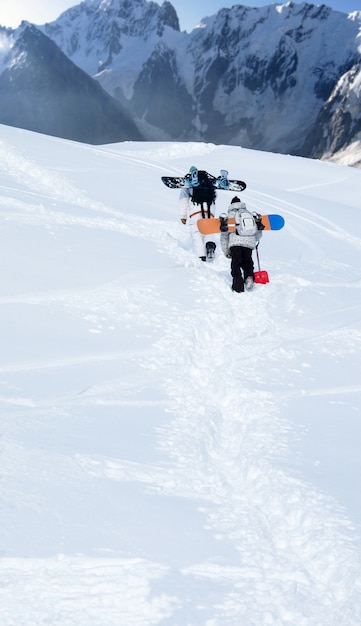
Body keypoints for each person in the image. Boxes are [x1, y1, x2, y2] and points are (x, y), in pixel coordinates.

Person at [220, 196, 263, 292]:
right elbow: (257, 232)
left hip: (235, 243)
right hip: (249, 242)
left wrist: (226, 251)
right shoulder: (248, 214)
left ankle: (238, 286)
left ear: (231, 205)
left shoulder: (230, 215)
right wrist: (254, 240)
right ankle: (249, 277)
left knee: (236, 264)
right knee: (248, 262)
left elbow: (224, 235)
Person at [179, 166, 217, 261]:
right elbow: (215, 196)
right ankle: (210, 244)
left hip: (195, 210)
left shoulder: (188, 183)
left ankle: (201, 256)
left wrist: (183, 216)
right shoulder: (208, 183)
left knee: (196, 233)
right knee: (208, 230)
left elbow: (183, 199)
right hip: (209, 210)